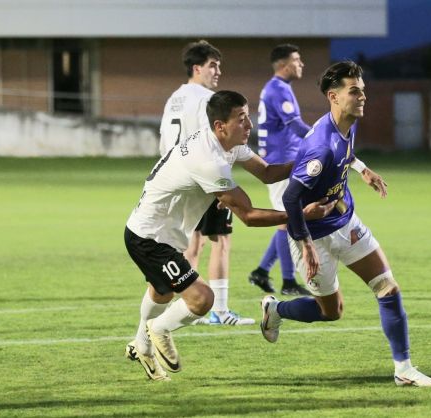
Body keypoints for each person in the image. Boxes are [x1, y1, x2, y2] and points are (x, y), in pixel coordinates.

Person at [124, 90, 335, 380]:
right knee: (201, 300)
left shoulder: (228, 144)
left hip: (159, 232)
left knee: (163, 290)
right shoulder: (209, 161)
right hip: (148, 237)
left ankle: (142, 344)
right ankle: (157, 330)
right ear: (220, 126)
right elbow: (248, 215)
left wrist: (310, 164)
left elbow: (268, 173)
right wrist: (304, 215)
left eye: (248, 116)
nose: (249, 124)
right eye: (242, 119)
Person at [259, 61, 431, 387]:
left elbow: (347, 151)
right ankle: (276, 310)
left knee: (388, 287)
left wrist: (362, 170)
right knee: (331, 311)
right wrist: (306, 246)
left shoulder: (347, 124)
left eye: (363, 91)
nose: (362, 97)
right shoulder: (320, 148)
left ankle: (404, 369)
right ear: (334, 96)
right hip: (314, 237)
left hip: (346, 221)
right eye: (354, 92)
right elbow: (290, 199)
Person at [157, 40, 253, 326]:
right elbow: (212, 139)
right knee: (220, 240)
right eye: (213, 65)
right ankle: (220, 311)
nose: (218, 71)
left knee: (192, 242)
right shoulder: (205, 100)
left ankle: (190, 303)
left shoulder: (173, 98)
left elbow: (164, 141)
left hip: (178, 180)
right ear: (197, 68)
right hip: (205, 180)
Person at [247, 44, 313, 296]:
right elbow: (295, 126)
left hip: (284, 161)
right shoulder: (278, 89)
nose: (301, 64)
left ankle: (263, 271)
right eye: (297, 60)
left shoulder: (277, 88)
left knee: (290, 217)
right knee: (287, 221)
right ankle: (288, 282)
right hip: (280, 164)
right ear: (285, 65)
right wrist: (323, 140)